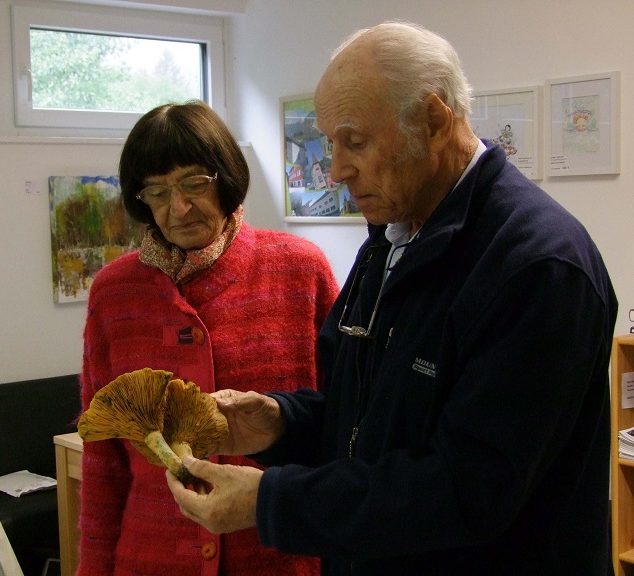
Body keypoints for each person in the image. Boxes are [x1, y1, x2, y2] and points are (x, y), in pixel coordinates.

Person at [166, 21, 618, 576]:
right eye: (330, 143)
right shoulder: (394, 234)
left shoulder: (538, 267)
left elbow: (467, 489)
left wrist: (271, 501)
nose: (335, 171)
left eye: (355, 142)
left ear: (433, 122)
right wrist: (282, 424)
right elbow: (370, 416)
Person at [77, 99, 340, 576]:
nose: (178, 208)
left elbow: (345, 423)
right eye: (157, 192)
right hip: (150, 560)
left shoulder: (300, 271)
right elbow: (103, 460)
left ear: (226, 177)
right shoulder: (114, 293)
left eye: (194, 183)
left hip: (277, 558)